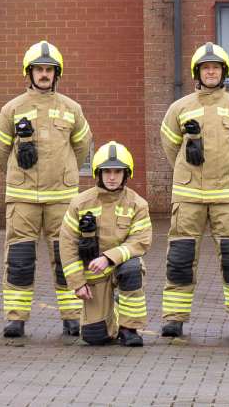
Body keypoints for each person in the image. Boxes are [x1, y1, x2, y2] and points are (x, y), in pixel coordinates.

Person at [0, 41, 93, 338]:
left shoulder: (72, 109)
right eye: (39, 69)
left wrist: (66, 171)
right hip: (23, 198)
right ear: (29, 73)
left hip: (62, 197)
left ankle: (72, 316)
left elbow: (82, 146)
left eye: (49, 70)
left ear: (56, 73)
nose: (44, 74)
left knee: (66, 257)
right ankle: (16, 318)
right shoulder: (13, 109)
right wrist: (16, 173)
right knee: (20, 258)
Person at [157, 42, 229, 339]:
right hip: (188, 196)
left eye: (215, 67)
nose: (211, 71)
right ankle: (175, 318)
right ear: (197, 73)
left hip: (227, 197)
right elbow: (171, 147)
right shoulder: (180, 108)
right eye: (205, 67)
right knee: (180, 256)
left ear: (224, 72)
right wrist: (188, 171)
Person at [57, 141, 153, 346]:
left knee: (132, 268)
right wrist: (78, 283)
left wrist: (110, 258)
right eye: (106, 171)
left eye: (117, 172)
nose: (111, 177)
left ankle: (129, 329)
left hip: (120, 266)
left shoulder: (138, 204)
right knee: (95, 337)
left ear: (126, 174)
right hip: (94, 274)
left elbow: (140, 241)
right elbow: (67, 245)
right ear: (97, 173)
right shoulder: (80, 203)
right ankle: (114, 312)